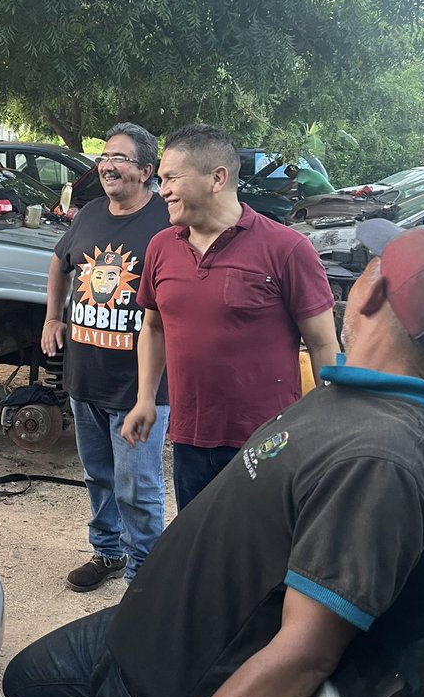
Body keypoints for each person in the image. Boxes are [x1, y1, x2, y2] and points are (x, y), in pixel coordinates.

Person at [4, 221, 424, 697]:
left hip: (172, 692)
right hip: (144, 638)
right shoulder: (355, 393)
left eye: (366, 265)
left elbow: (306, 651)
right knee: (28, 683)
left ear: (370, 293)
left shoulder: (381, 457)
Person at [123, 124, 338, 511]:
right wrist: (145, 399)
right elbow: (153, 328)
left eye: (172, 178)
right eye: (161, 180)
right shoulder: (160, 247)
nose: (163, 190)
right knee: (199, 547)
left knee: (257, 554)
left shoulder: (287, 249)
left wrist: (328, 424)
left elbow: (323, 342)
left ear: (216, 178)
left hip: (267, 442)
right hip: (190, 436)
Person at [42, 123, 170, 590]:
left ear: (146, 170)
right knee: (98, 475)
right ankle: (109, 553)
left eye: (118, 158)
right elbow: (60, 262)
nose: (106, 165)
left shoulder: (167, 219)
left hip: (140, 385)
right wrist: (52, 318)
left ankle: (145, 575)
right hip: (85, 375)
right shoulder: (90, 212)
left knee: (139, 486)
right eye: (103, 157)